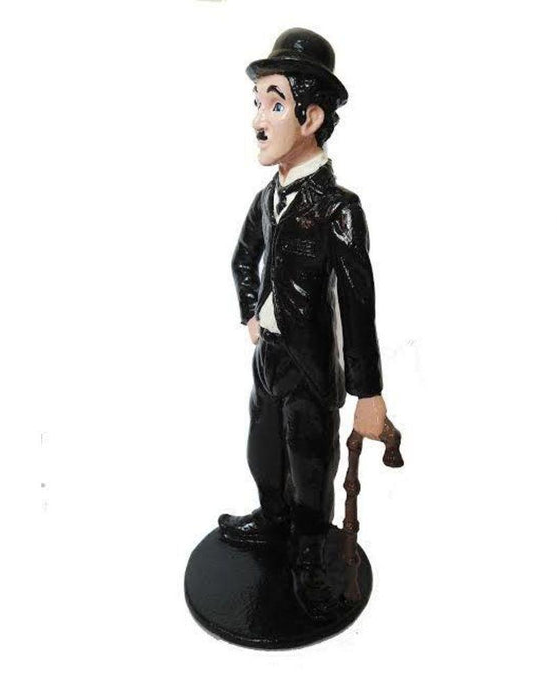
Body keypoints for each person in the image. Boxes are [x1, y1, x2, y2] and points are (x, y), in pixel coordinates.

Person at [219, 27, 389, 619]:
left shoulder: (339, 209)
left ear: (310, 117)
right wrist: (251, 313)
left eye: (274, 104)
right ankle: (272, 519)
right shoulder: (268, 198)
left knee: (311, 470)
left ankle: (311, 558)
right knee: (263, 451)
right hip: (268, 359)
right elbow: (243, 258)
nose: (257, 120)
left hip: (312, 372)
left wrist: (369, 394)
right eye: (257, 103)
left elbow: (359, 308)